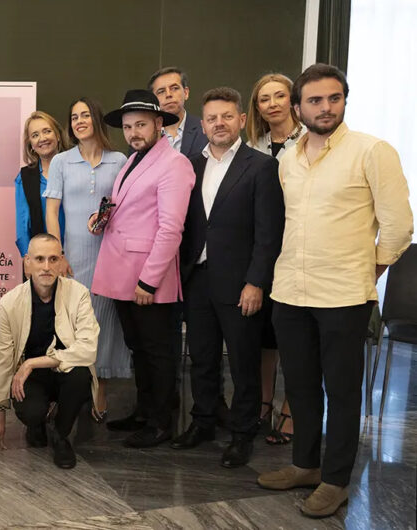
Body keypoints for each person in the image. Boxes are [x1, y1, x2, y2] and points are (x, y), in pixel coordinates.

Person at [257, 64, 413, 518]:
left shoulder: (372, 151)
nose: (326, 108)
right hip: (290, 290)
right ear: (298, 106)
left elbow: (399, 227)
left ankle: (335, 480)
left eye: (334, 98)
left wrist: (368, 271)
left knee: (342, 392)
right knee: (301, 386)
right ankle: (305, 465)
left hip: (344, 295)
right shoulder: (288, 159)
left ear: (344, 100)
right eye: (316, 101)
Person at [174, 87, 284, 468]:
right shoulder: (191, 164)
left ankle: (241, 434)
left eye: (226, 116)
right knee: (202, 358)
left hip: (241, 284)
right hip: (197, 279)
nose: (218, 123)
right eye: (211, 118)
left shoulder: (261, 166)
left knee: (242, 362)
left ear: (240, 120)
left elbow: (269, 232)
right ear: (201, 125)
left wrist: (256, 282)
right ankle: (203, 421)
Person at [90, 89, 195, 448]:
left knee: (158, 352)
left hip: (147, 279)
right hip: (121, 273)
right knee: (139, 348)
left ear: (158, 124)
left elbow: (171, 229)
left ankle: (162, 422)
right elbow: (124, 206)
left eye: (141, 125)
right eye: (128, 127)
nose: (134, 132)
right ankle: (144, 411)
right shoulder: (133, 161)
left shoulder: (174, 164)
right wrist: (102, 217)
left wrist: (148, 283)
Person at [0, 234, 97, 469]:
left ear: (62, 262)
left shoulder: (79, 294)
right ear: (27, 263)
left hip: (65, 369)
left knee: (81, 376)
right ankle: (38, 423)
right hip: (32, 378)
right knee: (31, 412)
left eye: (53, 259)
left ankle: (61, 435)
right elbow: (2, 361)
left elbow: (88, 348)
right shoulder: (9, 303)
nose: (46, 267)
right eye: (39, 259)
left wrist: (32, 363)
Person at [43, 97, 129, 422]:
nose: (79, 121)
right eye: (74, 116)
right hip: (73, 257)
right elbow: (52, 210)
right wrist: (57, 254)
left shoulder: (119, 160)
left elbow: (119, 203)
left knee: (105, 324)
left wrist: (104, 217)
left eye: (84, 115)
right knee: (70, 324)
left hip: (109, 256)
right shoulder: (62, 162)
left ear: (97, 119)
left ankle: (100, 388)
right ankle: (68, 389)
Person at [246, 73, 307, 444]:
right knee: (264, 335)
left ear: (292, 99)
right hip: (265, 249)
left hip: (300, 249)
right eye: (263, 98)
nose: (271, 104)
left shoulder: (310, 141)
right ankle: (264, 404)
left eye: (279, 96)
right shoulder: (254, 145)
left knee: (296, 338)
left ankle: (292, 410)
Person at [15, 111, 68, 258]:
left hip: (77, 253)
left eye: (47, 131)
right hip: (41, 260)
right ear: (30, 144)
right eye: (35, 135)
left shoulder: (77, 169)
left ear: (57, 135)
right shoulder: (24, 177)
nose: (42, 139)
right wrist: (28, 259)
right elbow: (22, 227)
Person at [148, 67, 208, 159]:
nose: (168, 94)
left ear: (186, 93)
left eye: (174, 88)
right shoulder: (145, 135)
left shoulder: (205, 130)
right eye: (161, 91)